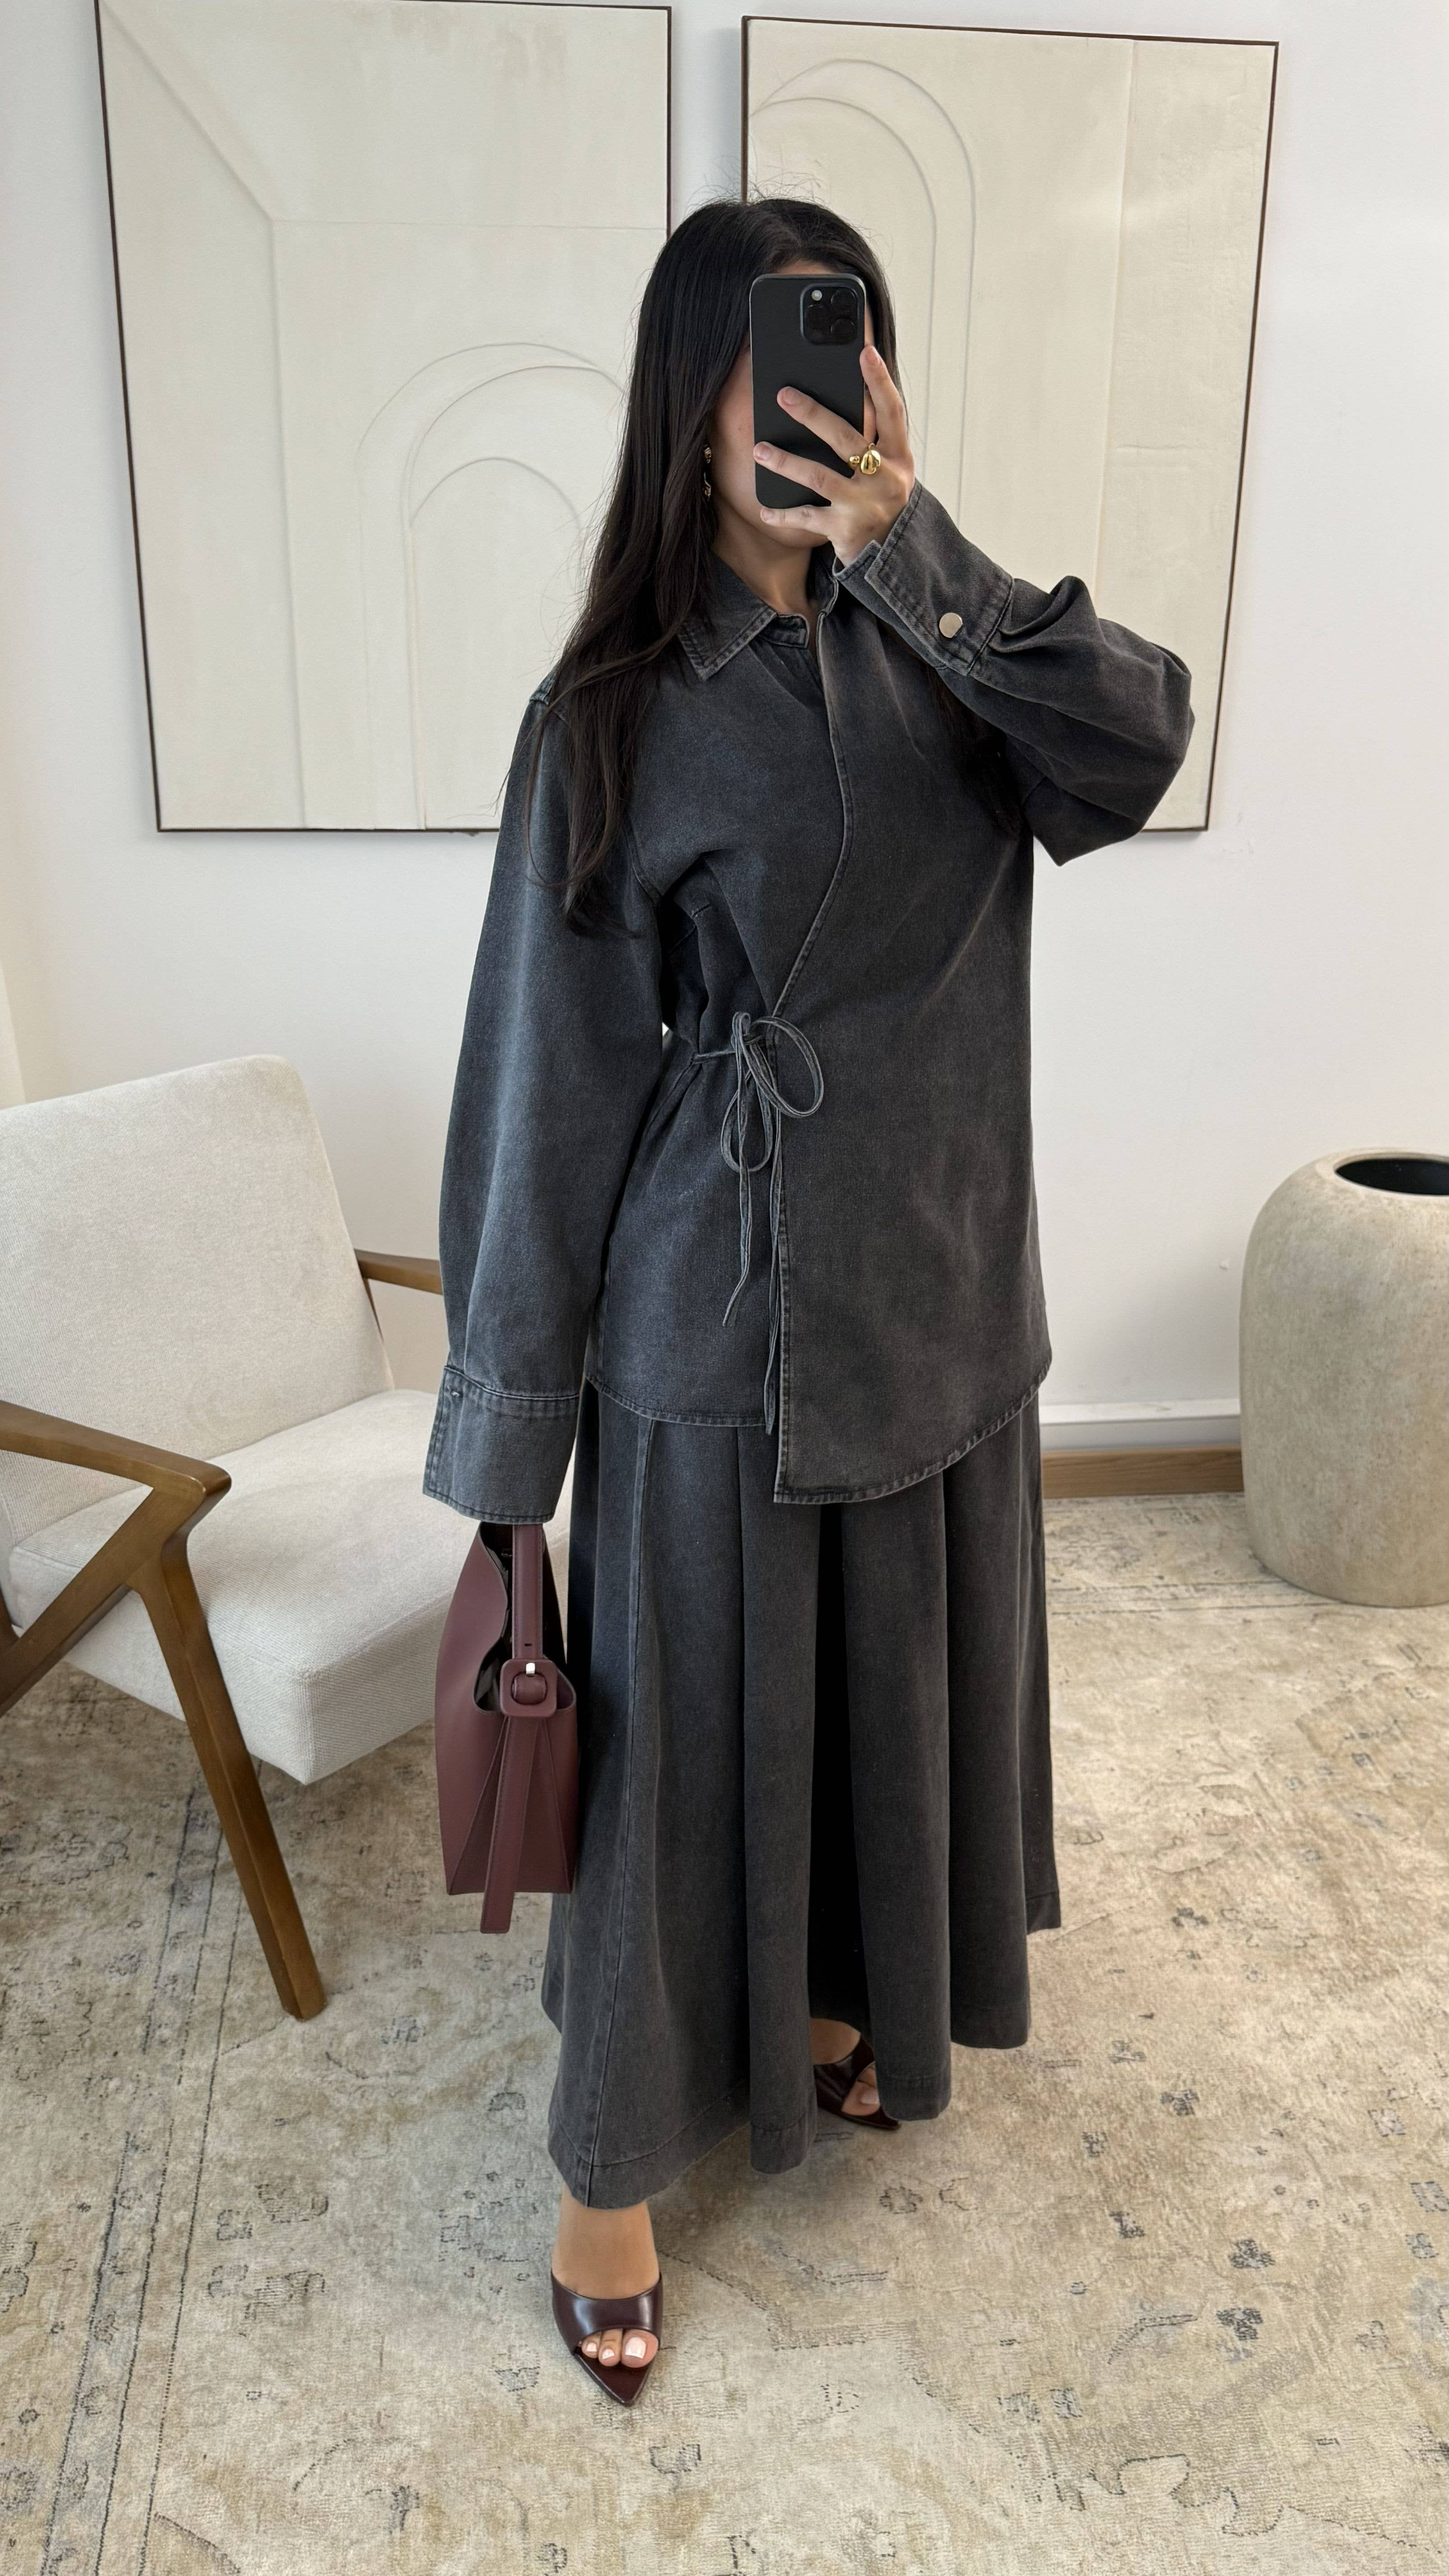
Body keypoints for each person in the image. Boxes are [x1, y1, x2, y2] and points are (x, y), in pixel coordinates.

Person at [423, 197, 1194, 2405]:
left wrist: (918, 549)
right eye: (769, 361)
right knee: (678, 1766)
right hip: (725, 1321)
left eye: (841, 354)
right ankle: (606, 2180)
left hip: (947, 1288)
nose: (806, 404)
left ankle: (849, 2003)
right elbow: (546, 1085)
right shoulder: (612, 712)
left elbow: (1139, 747)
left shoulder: (958, 647)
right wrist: (511, 1437)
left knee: (889, 1696)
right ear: (697, 395)